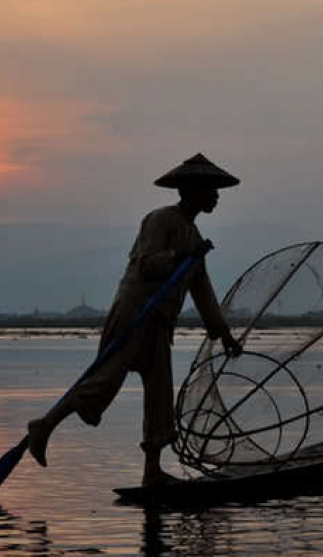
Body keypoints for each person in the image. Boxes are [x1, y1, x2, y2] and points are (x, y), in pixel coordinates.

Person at [27, 153, 242, 486]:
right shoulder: (160, 220)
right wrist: (182, 256)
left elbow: (203, 292)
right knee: (104, 381)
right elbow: (147, 265)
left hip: (159, 323)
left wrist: (223, 333)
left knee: (159, 395)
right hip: (135, 315)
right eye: (211, 190)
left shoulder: (195, 238)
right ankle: (45, 425)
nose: (216, 197)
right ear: (191, 191)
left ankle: (151, 472)